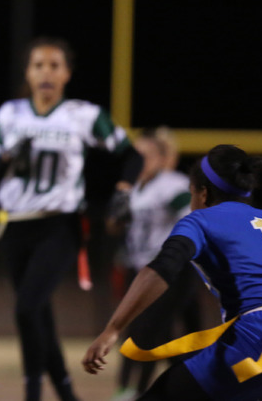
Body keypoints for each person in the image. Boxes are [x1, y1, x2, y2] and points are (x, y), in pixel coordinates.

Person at [0, 36, 143, 401]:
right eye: (38, 65)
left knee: (27, 307)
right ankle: (66, 393)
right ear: (28, 72)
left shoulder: (83, 114)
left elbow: (132, 156)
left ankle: (33, 391)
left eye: (54, 65)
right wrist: (7, 157)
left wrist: (125, 189)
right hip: (15, 225)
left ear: (67, 73)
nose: (46, 72)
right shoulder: (9, 115)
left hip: (59, 224)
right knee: (39, 314)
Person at [82, 144, 262, 401]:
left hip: (260, 335)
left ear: (203, 194)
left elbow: (162, 268)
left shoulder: (202, 219)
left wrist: (113, 329)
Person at [106, 127, 197, 401]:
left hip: (170, 271)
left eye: (144, 156)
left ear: (160, 158)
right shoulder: (132, 186)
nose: (138, 162)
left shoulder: (171, 184)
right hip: (141, 268)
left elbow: (192, 217)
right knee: (166, 337)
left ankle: (133, 391)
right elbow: (113, 227)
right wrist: (117, 215)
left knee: (146, 331)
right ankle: (193, 389)